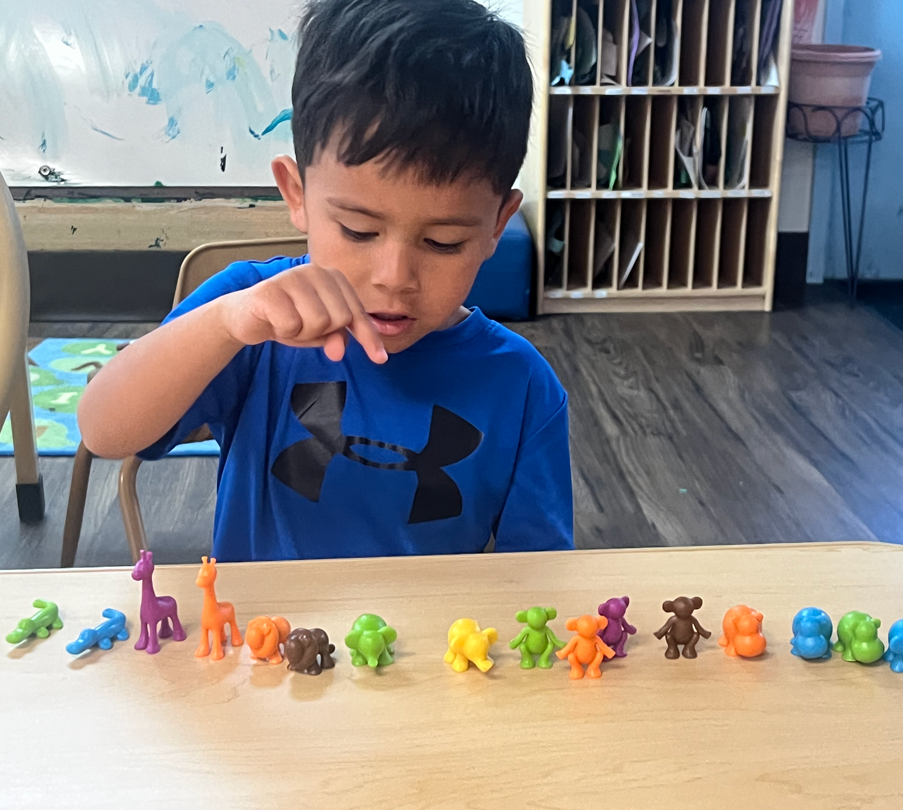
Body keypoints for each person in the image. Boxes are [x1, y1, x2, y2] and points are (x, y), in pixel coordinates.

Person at [78, 0, 573, 560]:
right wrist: (224, 324)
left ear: (497, 226)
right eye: (359, 231)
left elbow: (538, 577)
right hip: (264, 640)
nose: (394, 279)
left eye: (443, 242)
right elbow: (104, 431)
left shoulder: (523, 386)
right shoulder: (248, 314)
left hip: (432, 644)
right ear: (297, 195)